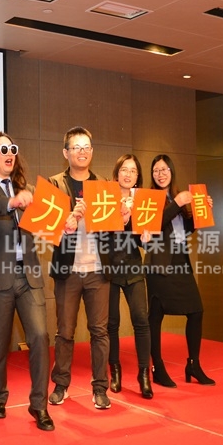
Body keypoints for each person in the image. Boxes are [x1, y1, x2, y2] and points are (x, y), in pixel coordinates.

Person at [0, 132, 54, 431]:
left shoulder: (29, 189)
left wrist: (66, 223)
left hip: (29, 275)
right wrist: (12, 201)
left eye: (13, 149)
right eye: (3, 149)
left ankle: (39, 405)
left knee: (40, 337)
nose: (10, 154)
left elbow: (48, 223)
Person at [47, 127, 112, 410]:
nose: (82, 152)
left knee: (100, 332)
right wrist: (68, 220)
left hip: (98, 269)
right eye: (76, 147)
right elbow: (46, 229)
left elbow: (113, 229)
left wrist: (122, 214)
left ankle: (100, 388)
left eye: (86, 147)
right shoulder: (54, 184)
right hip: (68, 270)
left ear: (92, 151)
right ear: (66, 153)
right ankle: (61, 385)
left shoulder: (104, 185)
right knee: (65, 331)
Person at [144, 154, 215, 387]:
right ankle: (157, 366)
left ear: (172, 171)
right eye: (156, 170)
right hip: (158, 262)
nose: (160, 174)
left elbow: (184, 231)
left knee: (196, 311)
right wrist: (177, 203)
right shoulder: (149, 198)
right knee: (156, 316)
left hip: (180, 261)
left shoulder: (177, 197)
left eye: (164, 169)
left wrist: (202, 212)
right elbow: (154, 225)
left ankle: (193, 364)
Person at [101, 154, 152, 399]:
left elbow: (146, 244)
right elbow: (98, 233)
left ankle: (144, 374)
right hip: (109, 267)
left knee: (141, 319)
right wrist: (118, 219)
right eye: (124, 169)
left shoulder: (143, 201)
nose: (128, 174)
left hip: (132, 266)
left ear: (137, 176)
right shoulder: (105, 197)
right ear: (116, 173)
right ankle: (115, 370)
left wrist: (146, 237)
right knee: (111, 323)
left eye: (133, 171)